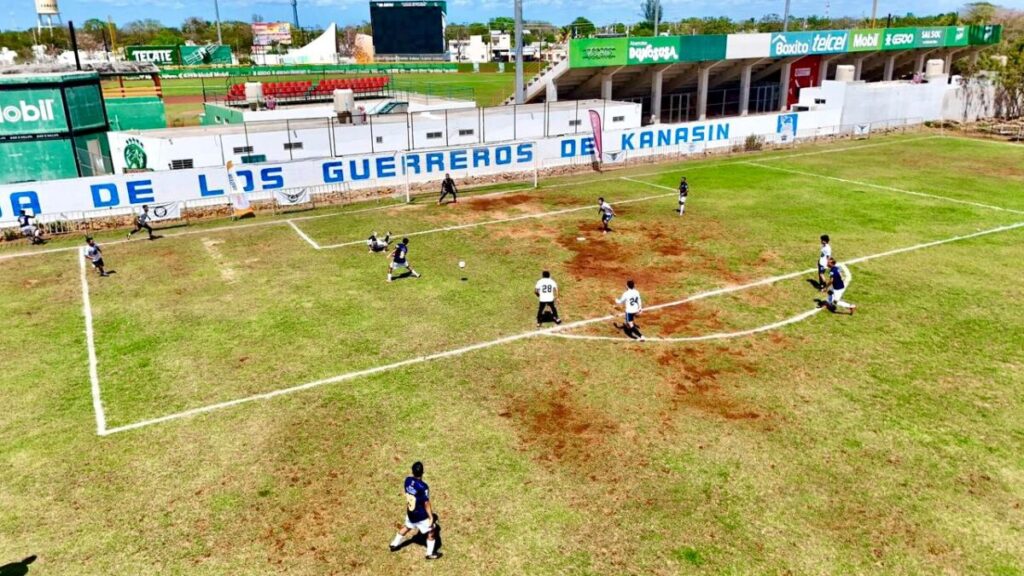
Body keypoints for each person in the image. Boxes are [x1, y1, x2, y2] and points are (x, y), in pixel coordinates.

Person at [389, 461, 441, 560]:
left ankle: (394, 544)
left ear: (412, 471)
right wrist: (431, 517)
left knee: (407, 527)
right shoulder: (423, 487)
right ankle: (429, 553)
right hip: (420, 516)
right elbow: (426, 503)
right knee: (432, 531)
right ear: (423, 472)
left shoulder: (407, 480)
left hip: (410, 513)